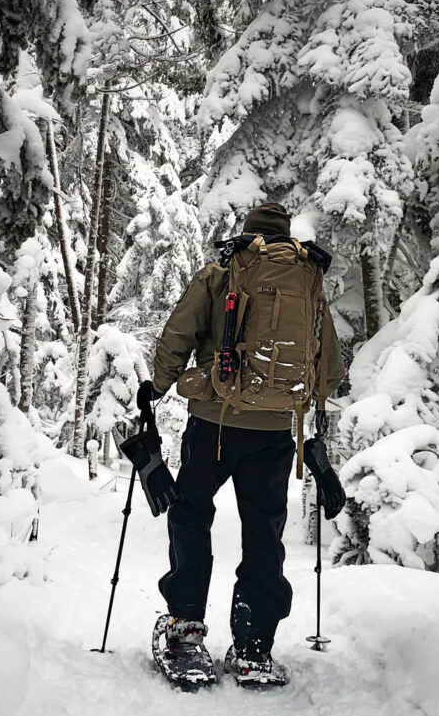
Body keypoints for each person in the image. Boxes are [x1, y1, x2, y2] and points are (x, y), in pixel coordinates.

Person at [134, 202, 347, 687]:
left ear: (247, 235)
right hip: (274, 434)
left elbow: (177, 335)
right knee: (264, 530)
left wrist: (160, 385)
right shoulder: (307, 285)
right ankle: (254, 647)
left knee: (191, 513)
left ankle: (186, 632)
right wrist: (296, 406)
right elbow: (329, 369)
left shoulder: (220, 274)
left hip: (214, 424)